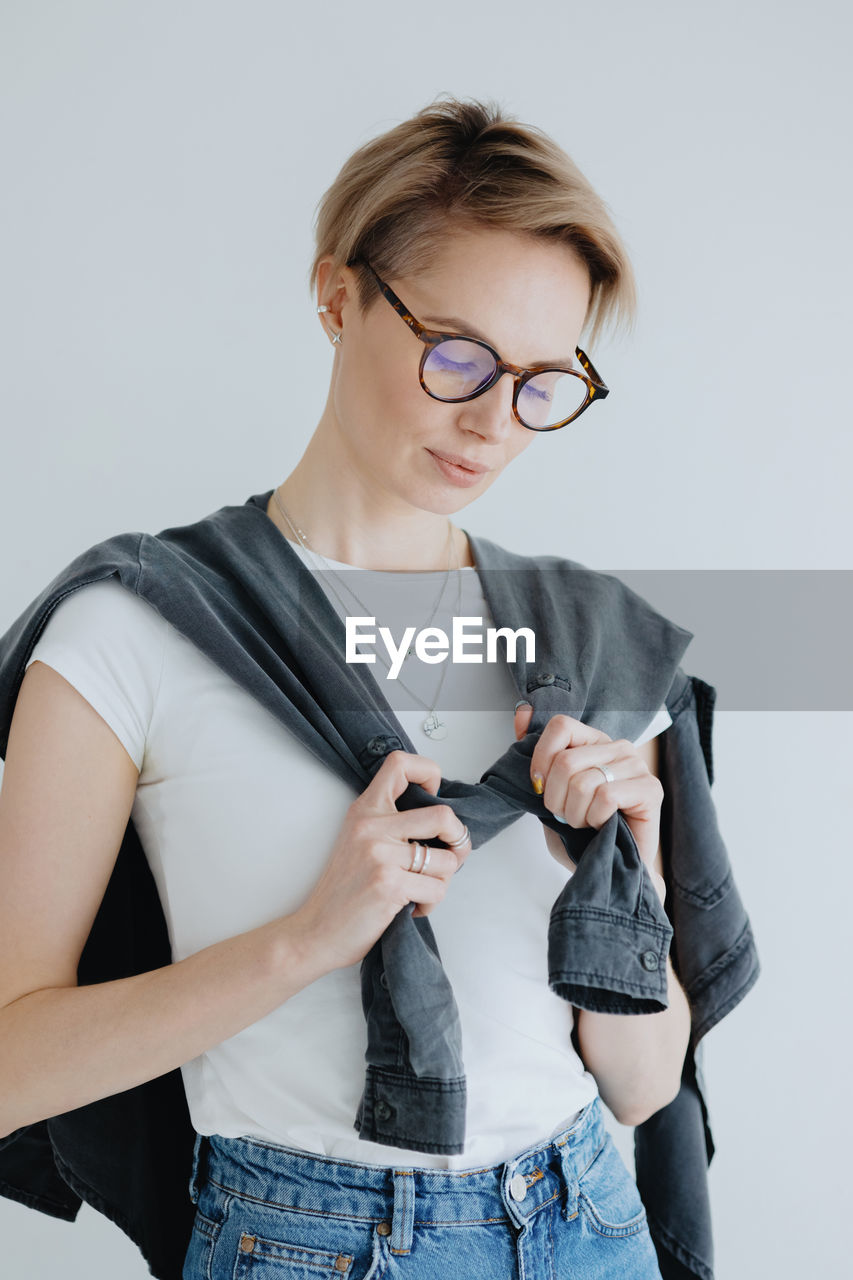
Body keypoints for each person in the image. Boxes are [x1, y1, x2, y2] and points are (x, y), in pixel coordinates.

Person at [0, 98, 750, 1280]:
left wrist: (622, 881)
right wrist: (302, 941)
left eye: (543, 384)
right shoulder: (131, 627)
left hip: (586, 1224)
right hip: (300, 1243)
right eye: (456, 354)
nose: (493, 422)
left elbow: (644, 1082)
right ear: (339, 296)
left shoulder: (592, 643)